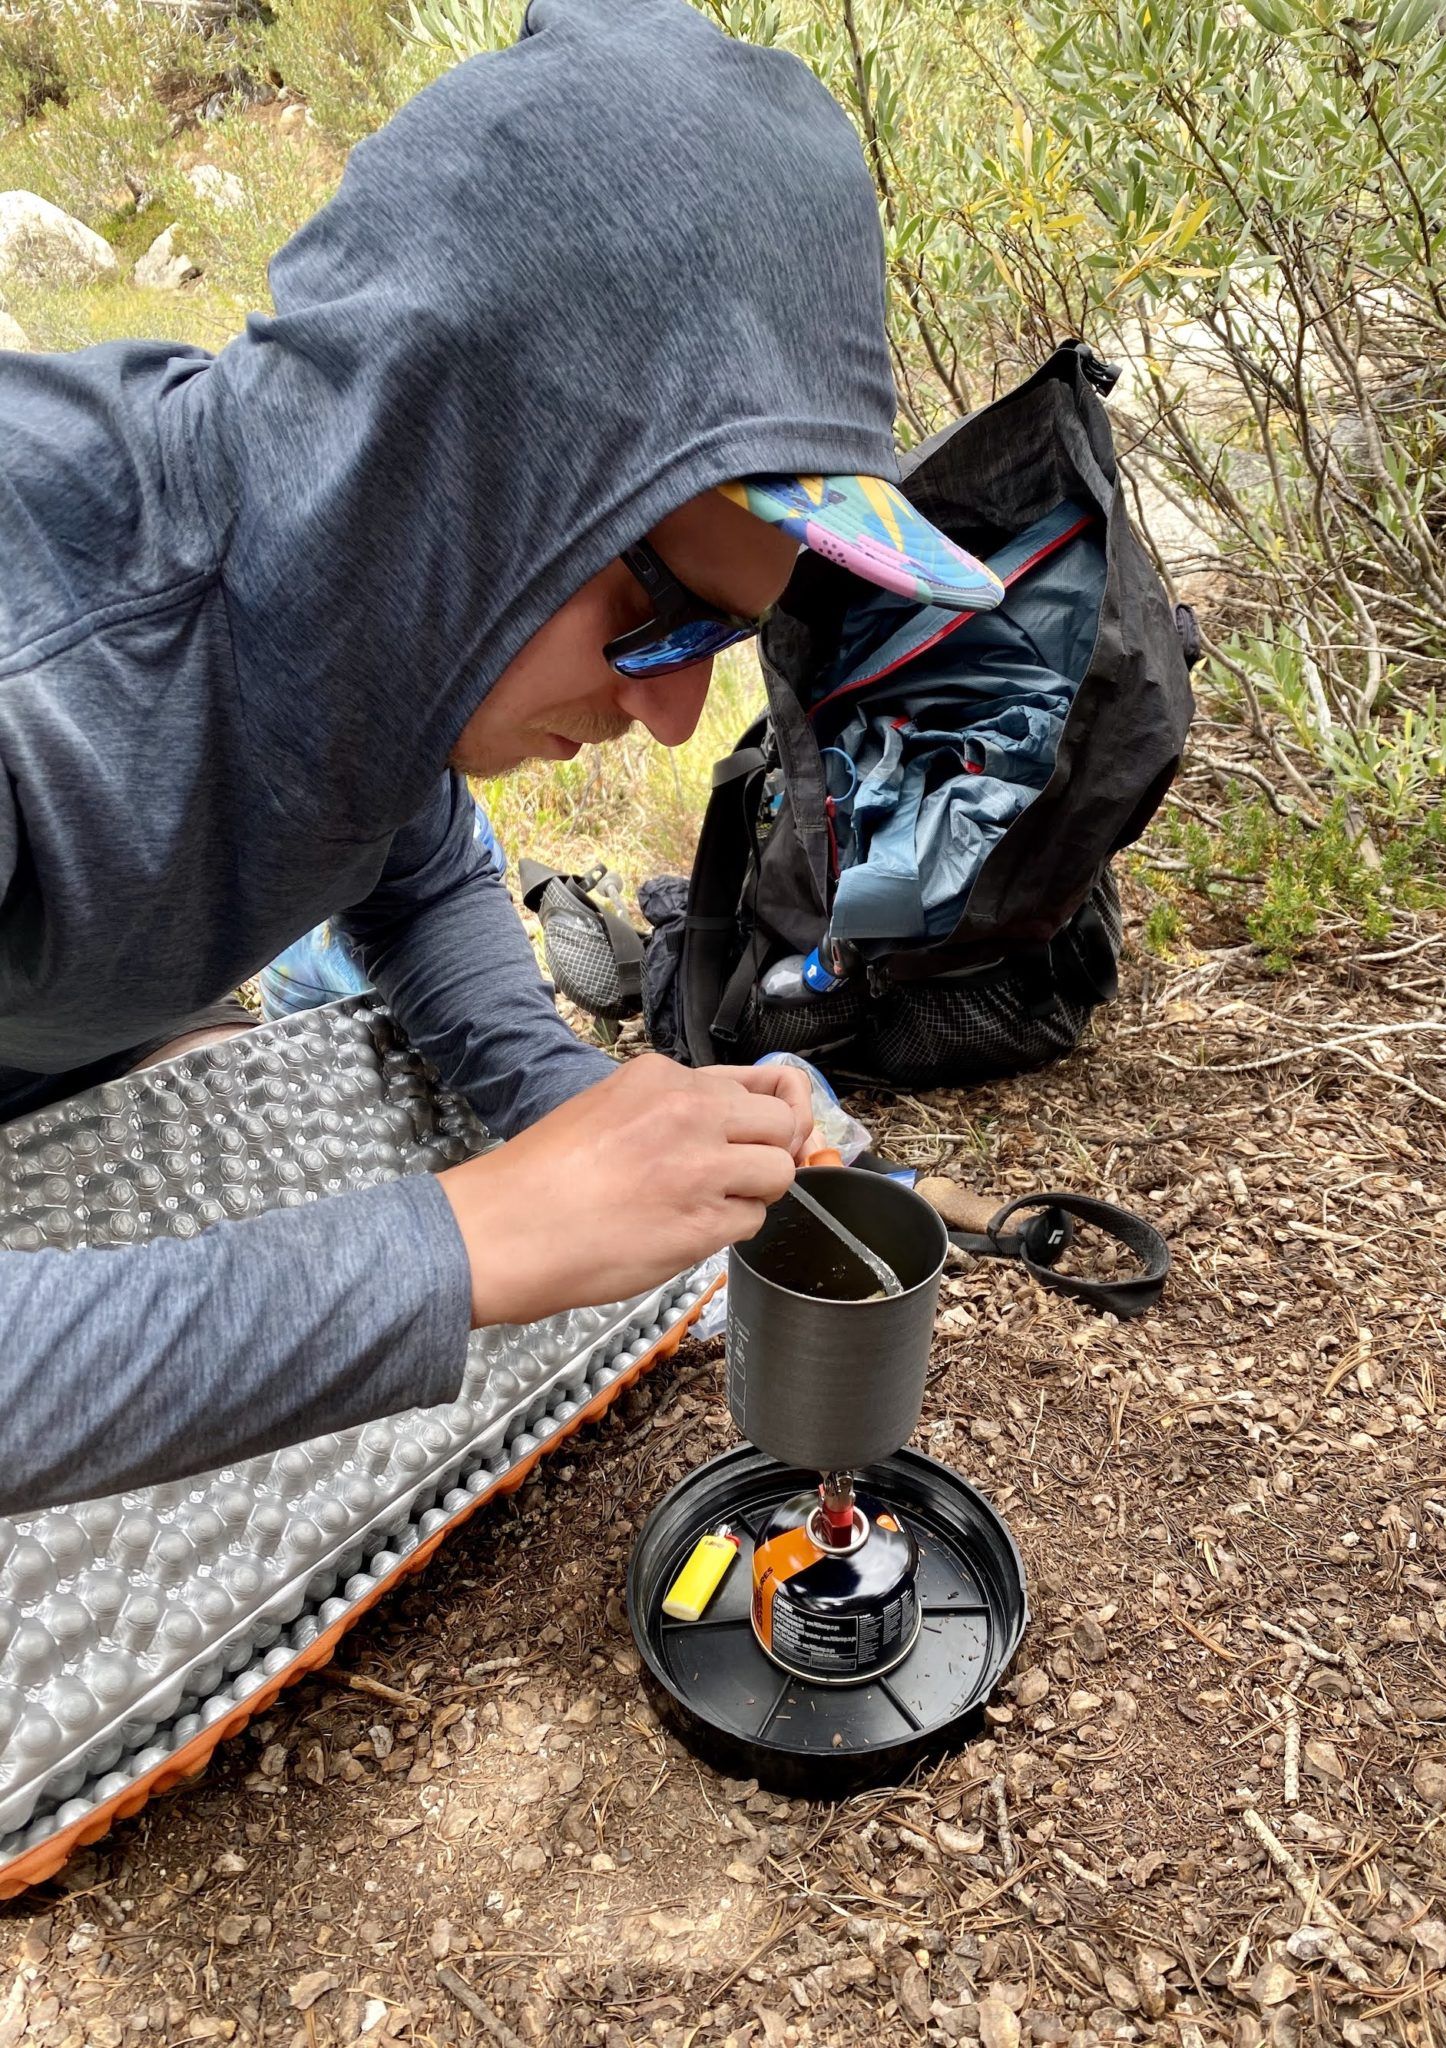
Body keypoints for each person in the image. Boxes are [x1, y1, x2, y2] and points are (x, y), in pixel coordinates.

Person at [0, 0, 1002, 1516]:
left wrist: (577, 1114)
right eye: (660, 615)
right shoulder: (44, 671)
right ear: (452, 472)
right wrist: (472, 1240)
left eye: (719, 647)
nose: (674, 720)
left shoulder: (370, 625)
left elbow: (416, 872)